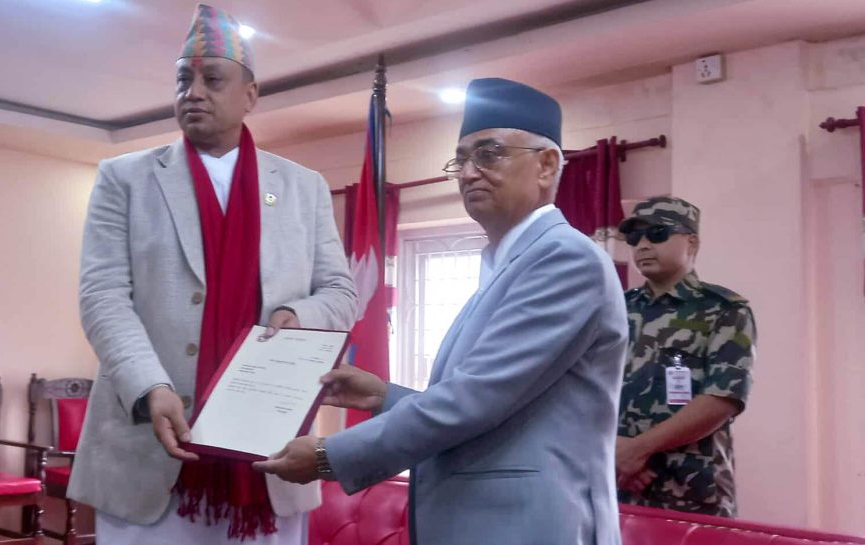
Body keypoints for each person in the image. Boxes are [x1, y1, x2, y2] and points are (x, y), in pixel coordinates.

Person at [254, 78, 628, 545]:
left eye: (489, 154)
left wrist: (331, 455)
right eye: (462, 159)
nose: (468, 173)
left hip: (529, 526)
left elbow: (475, 399)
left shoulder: (564, 259)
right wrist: (382, 395)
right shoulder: (510, 263)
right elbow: (494, 404)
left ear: (547, 165)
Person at [67, 4, 357, 544]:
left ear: (250, 95)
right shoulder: (124, 179)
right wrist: (150, 386)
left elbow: (341, 292)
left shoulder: (303, 187)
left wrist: (298, 315)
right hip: (151, 453)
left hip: (269, 452)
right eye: (184, 80)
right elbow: (102, 296)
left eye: (213, 80)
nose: (193, 92)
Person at [614, 197, 756, 517]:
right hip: (618, 485)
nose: (643, 245)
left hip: (691, 493)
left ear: (692, 242)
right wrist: (614, 451)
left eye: (657, 233)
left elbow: (722, 398)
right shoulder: (616, 308)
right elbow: (588, 388)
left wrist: (636, 450)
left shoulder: (724, 309)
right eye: (635, 237)